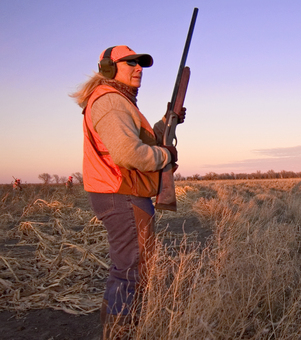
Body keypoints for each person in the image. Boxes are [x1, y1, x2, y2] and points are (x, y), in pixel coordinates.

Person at [70, 45, 184, 339]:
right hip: (122, 194)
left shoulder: (120, 101)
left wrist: (166, 122)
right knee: (131, 271)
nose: (138, 68)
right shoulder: (110, 101)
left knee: (127, 268)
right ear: (108, 68)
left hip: (122, 193)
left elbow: (137, 138)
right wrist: (166, 156)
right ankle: (121, 333)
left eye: (140, 63)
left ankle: (116, 330)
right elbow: (127, 153)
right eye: (130, 63)